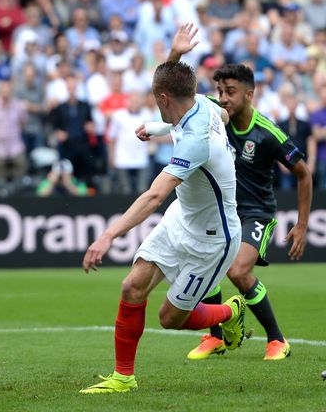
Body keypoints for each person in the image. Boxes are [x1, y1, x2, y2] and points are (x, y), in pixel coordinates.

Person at [79, 26, 245, 394]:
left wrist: (107, 236)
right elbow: (218, 114)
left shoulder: (195, 142)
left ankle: (231, 312)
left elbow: (154, 197)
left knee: (170, 319)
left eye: (157, 100)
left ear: (165, 98)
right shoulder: (200, 103)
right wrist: (174, 56)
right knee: (132, 287)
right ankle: (123, 378)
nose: (155, 102)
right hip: (181, 221)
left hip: (213, 240)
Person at [172, 63, 312, 358]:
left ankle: (277, 340)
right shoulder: (212, 111)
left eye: (231, 92)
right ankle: (216, 337)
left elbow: (303, 173)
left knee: (237, 270)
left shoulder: (266, 133)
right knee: (207, 266)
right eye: (220, 91)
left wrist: (301, 224)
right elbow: (176, 95)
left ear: (250, 94)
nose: (223, 98)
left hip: (256, 213)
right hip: (221, 211)